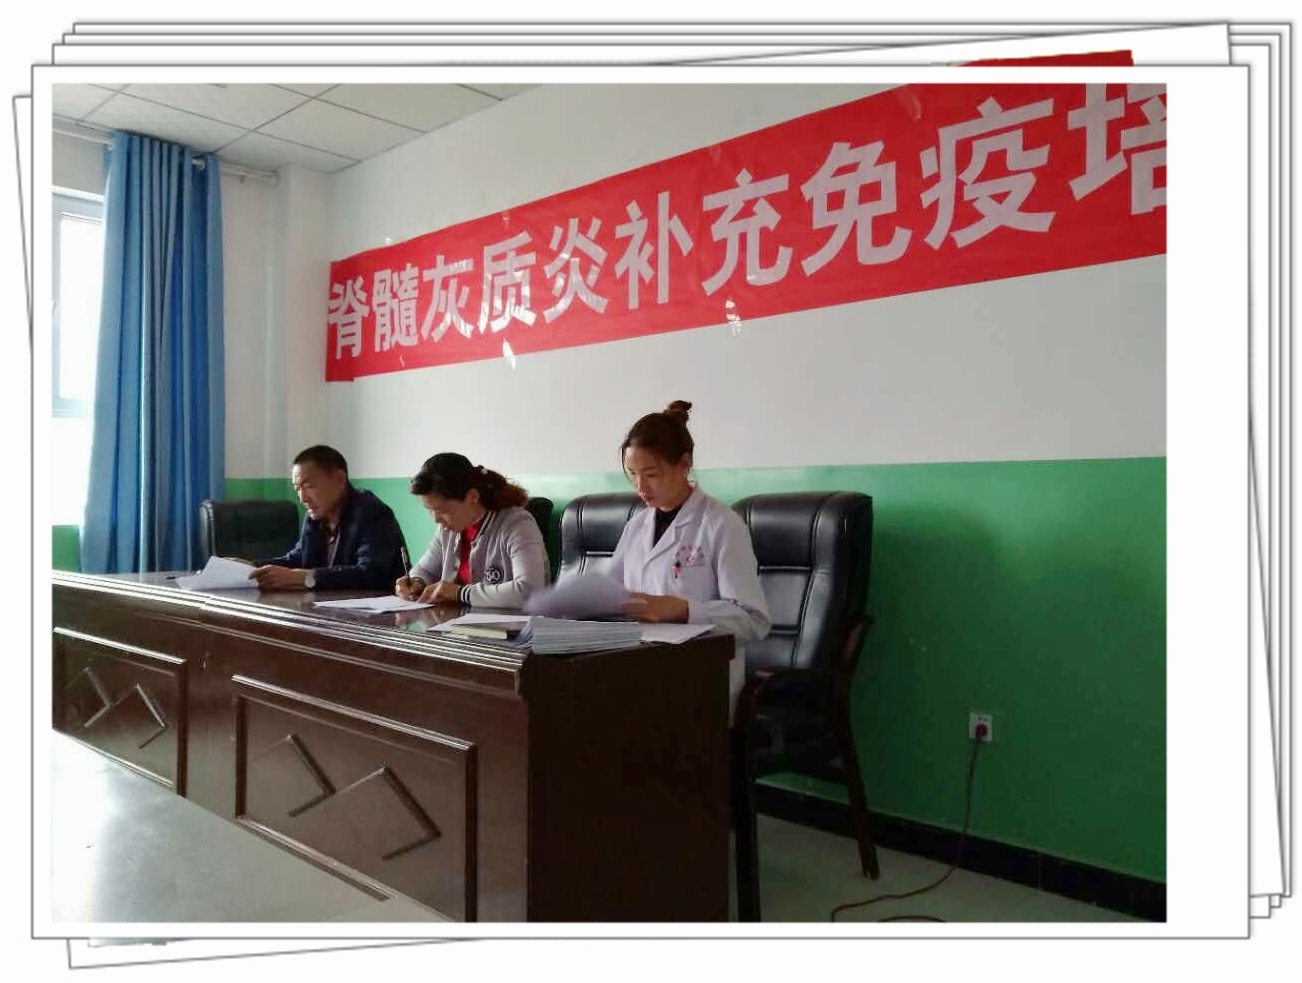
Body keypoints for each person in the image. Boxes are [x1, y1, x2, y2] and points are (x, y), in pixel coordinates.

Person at [608, 400, 771, 716]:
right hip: (638, 669)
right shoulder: (637, 525)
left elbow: (754, 620)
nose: (640, 487)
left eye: (651, 474)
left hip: (700, 681)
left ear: (685, 464)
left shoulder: (722, 525)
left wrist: (685, 610)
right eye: (632, 475)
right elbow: (610, 592)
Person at [395, 453, 549, 608]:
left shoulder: (517, 524)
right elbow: (425, 569)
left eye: (442, 511)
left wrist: (460, 593)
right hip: (461, 620)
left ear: (472, 497)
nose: (436, 519)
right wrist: (416, 581)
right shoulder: (448, 529)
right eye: (430, 510)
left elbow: (530, 591)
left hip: (514, 622)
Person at [248, 445, 407, 591]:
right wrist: (249, 567)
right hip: (327, 606)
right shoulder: (315, 517)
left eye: (309, 486)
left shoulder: (370, 511)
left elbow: (370, 573)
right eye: (298, 489)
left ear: (339, 479)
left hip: (377, 609)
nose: (303, 498)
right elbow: (296, 559)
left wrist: (305, 578)